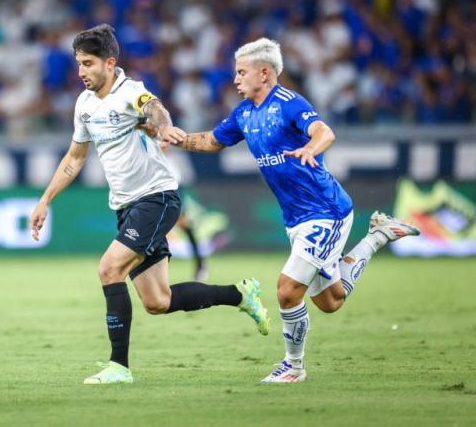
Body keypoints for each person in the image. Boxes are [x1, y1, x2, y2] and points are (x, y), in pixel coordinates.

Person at [29, 24, 270, 385]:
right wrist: (45, 199)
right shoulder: (84, 105)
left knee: (109, 269)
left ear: (110, 63)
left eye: (88, 63)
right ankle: (241, 294)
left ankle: (119, 367)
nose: (81, 72)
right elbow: (75, 158)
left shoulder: (131, 92)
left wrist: (165, 128)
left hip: (156, 198)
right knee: (158, 301)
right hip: (127, 206)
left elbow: (155, 109)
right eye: (78, 64)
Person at [174, 38, 420, 383]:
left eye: (241, 72)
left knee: (287, 290)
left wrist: (310, 148)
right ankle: (378, 236)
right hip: (296, 219)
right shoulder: (244, 113)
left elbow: (324, 132)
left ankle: (293, 366)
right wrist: (174, 137)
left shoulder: (289, 103)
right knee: (330, 301)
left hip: (325, 210)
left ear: (264, 73)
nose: (235, 79)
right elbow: (213, 141)